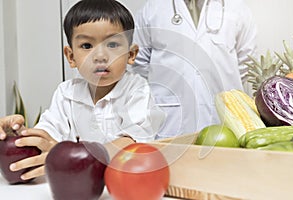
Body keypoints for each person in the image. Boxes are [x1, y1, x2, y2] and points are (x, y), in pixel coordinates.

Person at [0, 0, 165, 181]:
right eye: (87, 46)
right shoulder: (66, 93)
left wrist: (74, 159)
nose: (100, 56)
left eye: (112, 45)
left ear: (131, 54)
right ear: (71, 57)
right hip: (77, 185)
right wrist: (19, 136)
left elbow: (133, 142)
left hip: (123, 184)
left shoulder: (137, 91)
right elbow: (46, 137)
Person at [130, 0, 257, 139]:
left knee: (223, 155)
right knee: (173, 157)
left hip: (224, 116)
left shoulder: (237, 9)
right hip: (170, 117)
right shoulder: (152, 9)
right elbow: (139, 62)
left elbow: (247, 64)